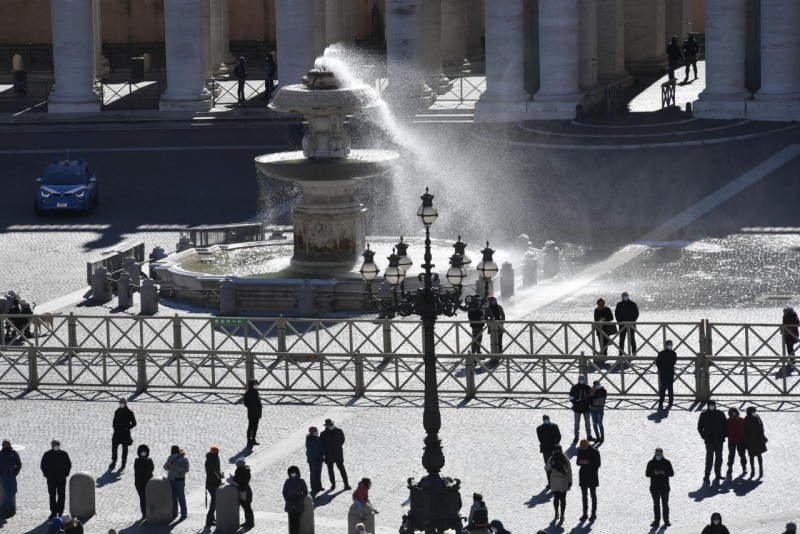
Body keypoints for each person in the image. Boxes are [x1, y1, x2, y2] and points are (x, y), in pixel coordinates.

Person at [40, 439, 72, 519]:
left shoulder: (64, 454)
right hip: (51, 479)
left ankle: (60, 511)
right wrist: (47, 475)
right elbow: (43, 465)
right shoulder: (47, 454)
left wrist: (66, 474)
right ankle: (53, 512)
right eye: (54, 445)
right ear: (52, 446)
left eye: (57, 444)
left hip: (61, 478)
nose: (56, 446)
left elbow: (68, 464)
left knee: (61, 495)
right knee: (52, 495)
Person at [697, 400, 727, 482]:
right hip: (709, 440)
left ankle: (718, 474)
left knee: (719, 458)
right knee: (709, 458)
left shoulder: (720, 413)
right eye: (710, 405)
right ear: (708, 406)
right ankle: (707, 475)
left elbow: (725, 425)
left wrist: (724, 435)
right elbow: (699, 427)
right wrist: (704, 436)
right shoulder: (704, 414)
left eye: (713, 405)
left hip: (719, 440)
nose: (712, 406)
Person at [645, 447, 673, 528]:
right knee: (656, 505)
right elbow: (647, 474)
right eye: (657, 454)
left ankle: (666, 520)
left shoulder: (667, 462)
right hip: (654, 488)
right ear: (655, 453)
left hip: (665, 487)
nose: (658, 455)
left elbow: (671, 473)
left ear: (662, 454)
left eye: (659, 454)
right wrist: (654, 473)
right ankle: (656, 521)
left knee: (665, 505)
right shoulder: (651, 463)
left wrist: (664, 472)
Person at [545, 445, 572, 522]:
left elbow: (569, 470)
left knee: (561, 499)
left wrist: (570, 481)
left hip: (560, 482)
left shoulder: (564, 459)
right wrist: (552, 465)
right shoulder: (552, 459)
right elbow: (546, 468)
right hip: (558, 482)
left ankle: (561, 514)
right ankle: (557, 513)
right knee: (558, 499)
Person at [321, 418, 350, 490]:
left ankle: (346, 484)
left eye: (332, 424)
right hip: (329, 453)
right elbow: (322, 444)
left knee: (341, 468)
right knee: (330, 470)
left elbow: (342, 440)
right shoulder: (323, 434)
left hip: (338, 453)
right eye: (329, 424)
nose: (331, 425)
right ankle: (333, 484)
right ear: (326, 426)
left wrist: (338, 447)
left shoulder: (339, 431)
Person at [576, 439, 600, 522]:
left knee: (593, 495)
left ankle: (593, 513)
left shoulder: (595, 452)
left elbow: (598, 464)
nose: (582, 449)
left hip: (592, 476)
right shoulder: (580, 451)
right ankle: (585, 513)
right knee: (584, 496)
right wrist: (580, 462)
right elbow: (577, 462)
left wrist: (588, 462)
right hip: (583, 476)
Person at [110, 397, 136, 471]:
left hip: (125, 433)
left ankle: (123, 462)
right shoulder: (117, 411)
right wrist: (114, 427)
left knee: (125, 449)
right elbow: (114, 421)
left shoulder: (130, 412)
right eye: (120, 402)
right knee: (114, 447)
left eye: (123, 402)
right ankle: (114, 461)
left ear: (125, 403)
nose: (121, 404)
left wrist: (128, 427)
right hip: (117, 433)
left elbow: (134, 423)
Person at [163, 445, 189, 520]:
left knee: (181, 498)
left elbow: (186, 469)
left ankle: (184, 513)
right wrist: (167, 466)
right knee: (173, 498)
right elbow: (165, 467)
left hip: (179, 480)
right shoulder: (170, 457)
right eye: (172, 453)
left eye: (175, 453)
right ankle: (174, 513)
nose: (173, 455)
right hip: (170, 480)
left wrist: (175, 467)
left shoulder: (184, 459)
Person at [536, 414, 561, 488]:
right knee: (548, 466)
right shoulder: (539, 428)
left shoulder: (555, 426)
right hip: (546, 450)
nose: (547, 421)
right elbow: (540, 439)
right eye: (545, 420)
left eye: (548, 419)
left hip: (555, 449)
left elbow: (559, 436)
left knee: (556, 466)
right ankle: (550, 482)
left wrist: (556, 445)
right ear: (543, 420)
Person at [741, 406, 767, 478]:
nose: (754, 413)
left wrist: (762, 435)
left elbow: (761, 426)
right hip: (750, 441)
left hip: (758, 440)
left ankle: (761, 470)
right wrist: (747, 439)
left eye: (754, 411)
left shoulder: (757, 417)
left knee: (759, 455)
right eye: (753, 411)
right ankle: (753, 470)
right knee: (751, 456)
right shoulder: (746, 420)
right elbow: (743, 431)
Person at [283, 465, 308, 534]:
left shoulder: (301, 481)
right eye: (291, 472)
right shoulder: (287, 482)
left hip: (298, 504)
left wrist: (300, 499)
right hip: (290, 504)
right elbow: (284, 491)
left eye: (294, 472)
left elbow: (305, 492)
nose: (293, 474)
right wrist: (288, 499)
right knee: (291, 521)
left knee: (297, 521)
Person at [0, 439, 22, 517]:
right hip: (4, 477)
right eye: (4, 445)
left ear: (10, 445)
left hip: (12, 476)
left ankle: (3, 506)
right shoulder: (0, 454)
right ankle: (11, 508)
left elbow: (19, 463)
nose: (6, 446)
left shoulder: (13, 453)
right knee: (8, 492)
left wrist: (16, 472)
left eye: (7, 445)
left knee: (13, 490)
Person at [569, 374, 593, 443]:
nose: (582, 379)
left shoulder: (588, 387)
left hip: (586, 408)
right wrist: (575, 404)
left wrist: (589, 403)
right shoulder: (574, 387)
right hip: (577, 409)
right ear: (578, 379)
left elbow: (591, 396)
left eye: (583, 378)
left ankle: (589, 436)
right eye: (580, 378)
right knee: (576, 424)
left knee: (587, 423)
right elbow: (571, 397)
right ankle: (576, 437)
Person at [614, 291, 639, 356]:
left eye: (626, 295)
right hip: (622, 325)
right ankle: (621, 353)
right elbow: (616, 314)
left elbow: (636, 313)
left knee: (632, 339)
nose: (625, 297)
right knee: (621, 340)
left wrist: (633, 321)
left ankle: (634, 352)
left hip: (631, 324)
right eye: (624, 296)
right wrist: (619, 321)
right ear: (622, 297)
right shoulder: (619, 304)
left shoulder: (633, 304)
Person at [232, 457, 254, 528]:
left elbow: (240, 482)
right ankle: (248, 522)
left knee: (247, 507)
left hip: (245, 491)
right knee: (246, 507)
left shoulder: (242, 471)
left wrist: (233, 480)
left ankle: (250, 523)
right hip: (245, 490)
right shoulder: (243, 470)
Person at [204, 446, 223, 527]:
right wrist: (220, 477)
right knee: (214, 503)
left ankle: (212, 518)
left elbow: (217, 470)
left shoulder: (214, 458)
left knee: (214, 501)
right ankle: (209, 520)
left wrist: (220, 475)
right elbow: (214, 472)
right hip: (212, 483)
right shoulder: (211, 461)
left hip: (213, 483)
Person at [134, 444, 154, 521]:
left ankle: (150, 512)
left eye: (144, 452)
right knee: (142, 498)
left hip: (148, 483)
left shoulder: (149, 460)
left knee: (149, 498)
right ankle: (144, 513)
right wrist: (144, 469)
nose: (143, 453)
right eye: (141, 452)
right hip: (139, 484)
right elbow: (139, 471)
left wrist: (143, 469)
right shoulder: (137, 461)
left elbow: (151, 469)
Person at [656, 340, 677, 410]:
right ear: (666, 345)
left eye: (671, 344)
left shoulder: (674, 353)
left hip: (670, 373)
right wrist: (661, 369)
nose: (670, 345)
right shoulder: (661, 353)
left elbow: (674, 362)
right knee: (663, 388)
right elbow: (657, 362)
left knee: (670, 388)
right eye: (669, 344)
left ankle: (670, 402)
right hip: (664, 373)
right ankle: (661, 402)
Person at [593, 298, 616, 362]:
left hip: (606, 328)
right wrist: (599, 320)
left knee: (605, 341)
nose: (600, 305)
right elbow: (595, 318)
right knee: (601, 342)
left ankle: (605, 354)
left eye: (602, 303)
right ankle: (603, 354)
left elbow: (611, 317)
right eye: (599, 304)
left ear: (604, 303)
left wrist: (605, 319)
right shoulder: (596, 310)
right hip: (599, 328)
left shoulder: (607, 309)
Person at [725, 407, 747, 476]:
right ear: (730, 413)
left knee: (742, 454)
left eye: (735, 412)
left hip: (740, 441)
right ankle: (730, 468)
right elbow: (724, 429)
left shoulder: (741, 420)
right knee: (731, 455)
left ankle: (744, 467)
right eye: (732, 413)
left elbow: (746, 430)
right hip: (731, 441)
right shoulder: (727, 421)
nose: (733, 414)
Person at [305, 426, 325, 495]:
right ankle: (314, 488)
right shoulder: (309, 440)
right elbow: (310, 450)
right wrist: (318, 455)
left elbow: (322, 447)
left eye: (316, 431)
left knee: (318, 473)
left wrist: (322, 454)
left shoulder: (318, 439)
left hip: (319, 459)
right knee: (313, 474)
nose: (316, 433)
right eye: (314, 432)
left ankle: (319, 486)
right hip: (312, 460)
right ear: (311, 433)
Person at [243, 379, 262, 447]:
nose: (256, 386)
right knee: (251, 426)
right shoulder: (248, 393)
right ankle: (249, 440)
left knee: (255, 426)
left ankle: (253, 439)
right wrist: (252, 406)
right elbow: (246, 403)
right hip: (252, 412)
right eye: (255, 385)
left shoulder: (256, 392)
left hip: (257, 412)